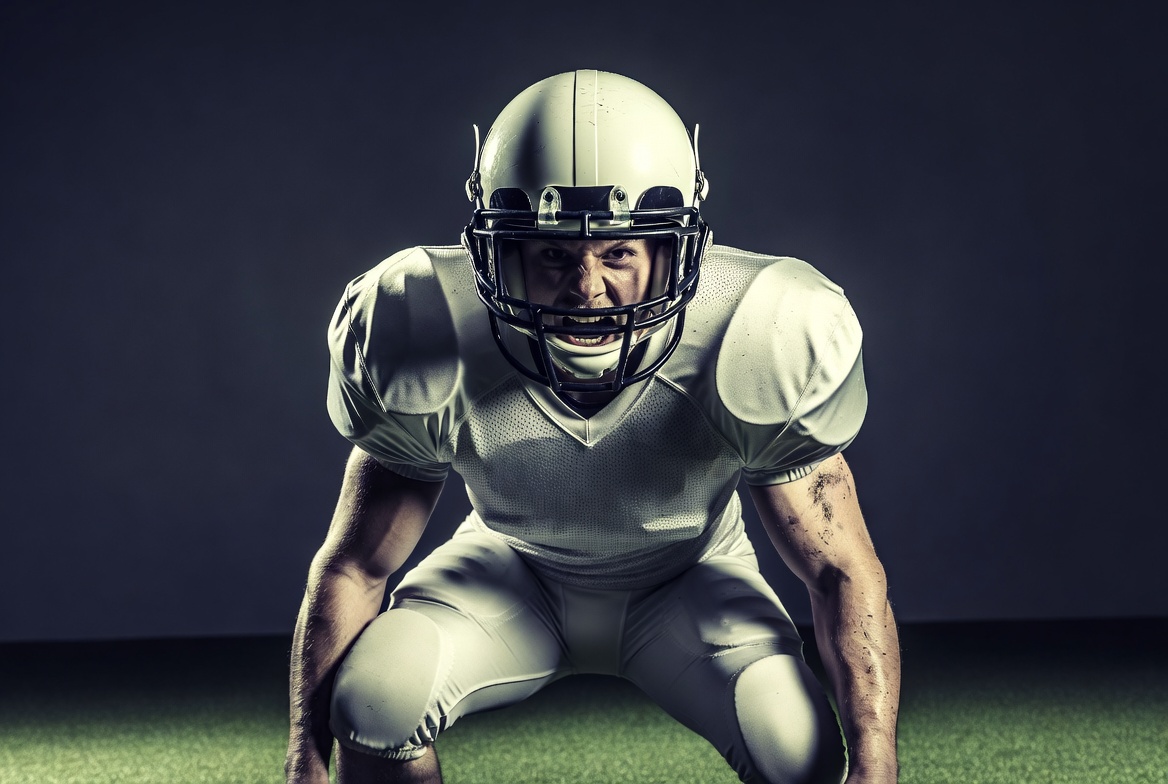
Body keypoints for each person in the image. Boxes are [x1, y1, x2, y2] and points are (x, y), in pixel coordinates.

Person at [285, 69, 900, 784]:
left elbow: (838, 567)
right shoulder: (418, 322)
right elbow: (356, 563)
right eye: (552, 253)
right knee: (374, 703)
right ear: (498, 249)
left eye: (618, 253)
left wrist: (877, 762)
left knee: (798, 754)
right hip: (512, 572)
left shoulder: (759, 330)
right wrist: (306, 757)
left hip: (691, 579)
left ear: (674, 249)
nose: (586, 288)